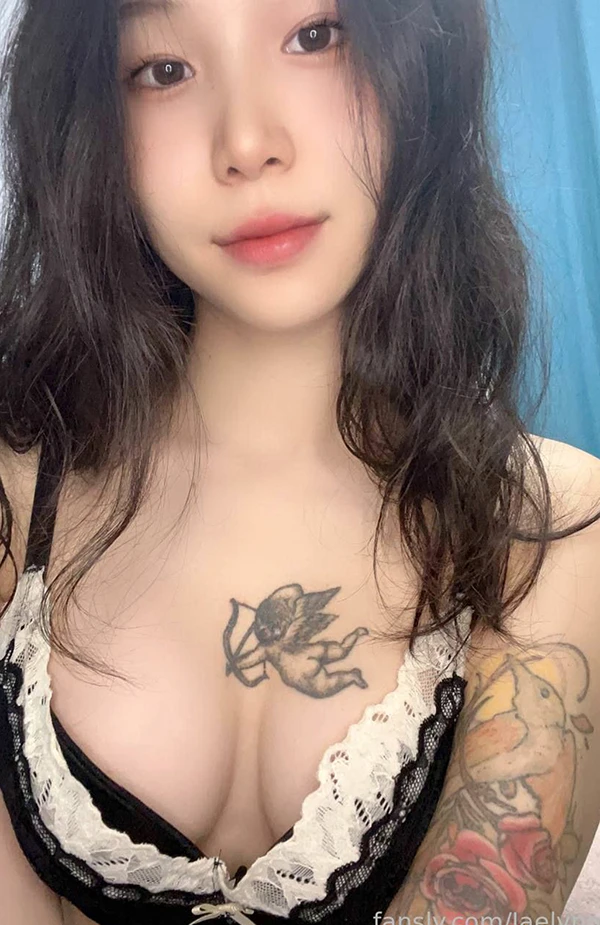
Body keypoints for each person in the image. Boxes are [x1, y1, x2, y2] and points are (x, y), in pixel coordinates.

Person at [0, 0, 599, 923]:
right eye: (163, 70)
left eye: (314, 36)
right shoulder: (13, 494)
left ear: (422, 64)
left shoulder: (552, 531)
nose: (247, 143)